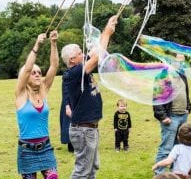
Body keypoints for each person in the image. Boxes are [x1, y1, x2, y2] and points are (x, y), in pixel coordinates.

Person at [61, 15, 117, 178]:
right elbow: (98, 56)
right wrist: (106, 32)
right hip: (83, 130)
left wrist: (108, 33)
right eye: (80, 53)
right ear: (72, 59)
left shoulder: (79, 67)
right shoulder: (73, 73)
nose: (83, 53)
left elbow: (97, 51)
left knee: (91, 169)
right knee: (82, 172)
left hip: (89, 129)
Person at [15, 31, 59, 179]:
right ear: (26, 77)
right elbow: (27, 69)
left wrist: (53, 44)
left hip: (45, 147)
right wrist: (37, 45)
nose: (38, 74)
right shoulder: (21, 94)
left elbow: (54, 66)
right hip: (26, 151)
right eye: (34, 73)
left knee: (52, 176)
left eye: (39, 72)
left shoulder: (44, 91)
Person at [153, 53, 191, 175]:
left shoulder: (182, 75)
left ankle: (175, 172)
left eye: (183, 61)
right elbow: (157, 99)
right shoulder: (163, 76)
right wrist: (163, 116)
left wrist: (188, 107)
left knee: (179, 147)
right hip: (171, 117)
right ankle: (159, 175)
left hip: (183, 116)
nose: (182, 63)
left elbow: (185, 92)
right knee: (166, 148)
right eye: (179, 61)